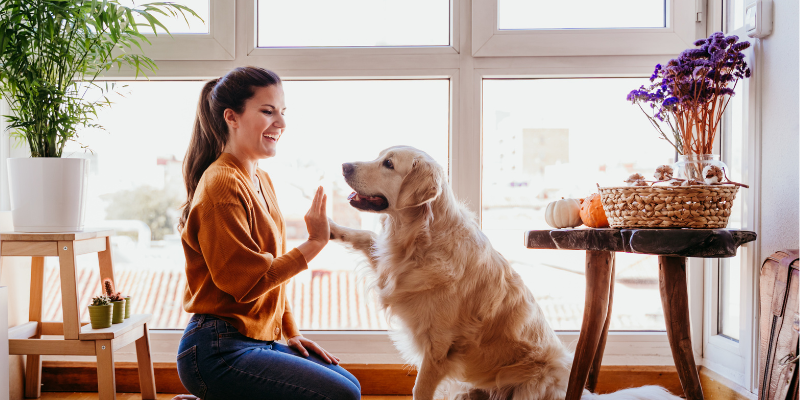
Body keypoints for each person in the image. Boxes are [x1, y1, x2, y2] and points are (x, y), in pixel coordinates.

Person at [175, 66, 361, 400]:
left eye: (283, 112)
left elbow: (273, 271)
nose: (281, 123)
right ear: (232, 117)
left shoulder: (260, 179)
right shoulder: (221, 185)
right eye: (267, 111)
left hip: (257, 340)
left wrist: (290, 333)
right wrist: (316, 242)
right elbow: (247, 283)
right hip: (216, 349)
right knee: (340, 397)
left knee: (351, 386)